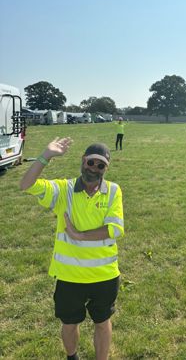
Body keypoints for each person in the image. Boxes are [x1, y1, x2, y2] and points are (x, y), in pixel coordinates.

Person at [19, 137, 124, 360]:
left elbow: (115, 229)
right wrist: (45, 156)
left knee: (103, 323)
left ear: (106, 168)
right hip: (69, 276)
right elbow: (25, 185)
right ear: (83, 160)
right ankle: (72, 357)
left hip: (104, 276)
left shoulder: (113, 191)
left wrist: (80, 236)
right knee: (69, 323)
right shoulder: (63, 190)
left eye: (100, 165)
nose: (94, 169)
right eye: (90, 163)